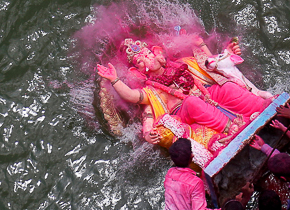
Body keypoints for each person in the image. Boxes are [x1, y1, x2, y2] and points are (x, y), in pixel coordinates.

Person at [96, 38, 270, 147]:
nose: (148, 58)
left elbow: (208, 65)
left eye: (148, 53)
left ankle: (261, 106)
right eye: (141, 60)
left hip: (207, 95)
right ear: (138, 70)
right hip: (185, 110)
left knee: (227, 88)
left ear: (157, 52)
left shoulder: (182, 64)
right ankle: (231, 129)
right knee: (193, 103)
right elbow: (132, 98)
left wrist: (225, 53)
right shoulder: (150, 90)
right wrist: (115, 80)